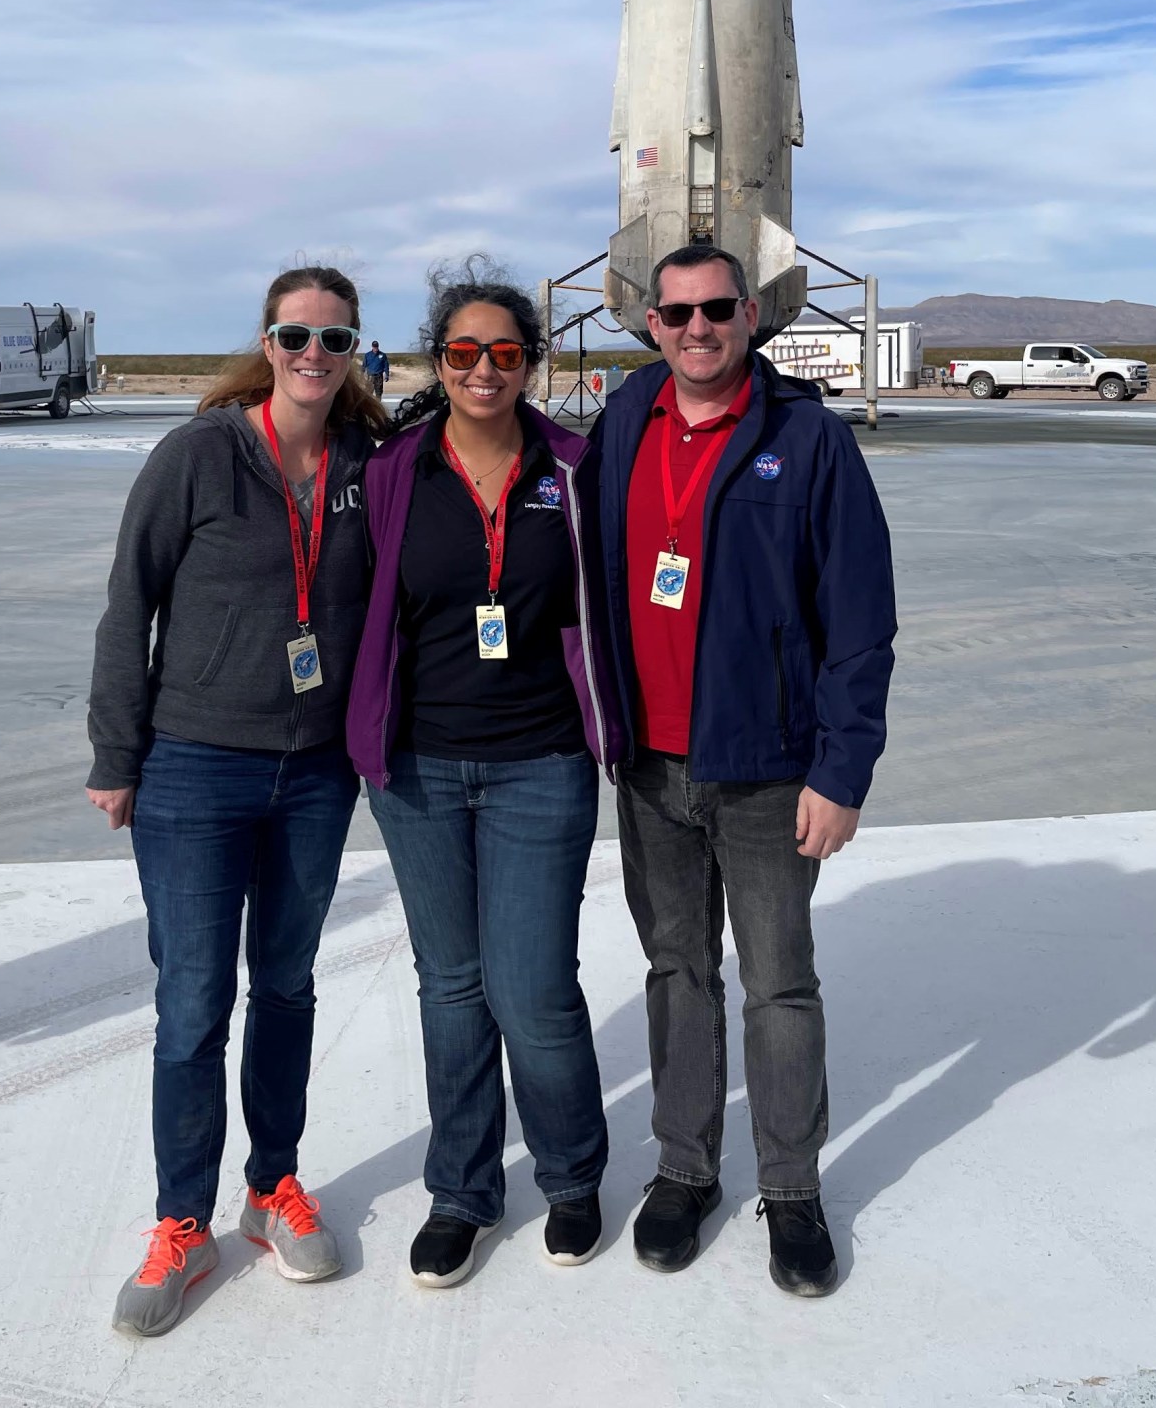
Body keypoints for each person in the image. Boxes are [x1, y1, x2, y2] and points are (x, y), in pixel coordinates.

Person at [86, 267, 388, 1337]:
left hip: (313, 771)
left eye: (335, 335)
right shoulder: (199, 454)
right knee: (192, 1002)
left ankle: (272, 1186)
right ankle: (180, 1221)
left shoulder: (367, 462)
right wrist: (116, 752)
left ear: (356, 348)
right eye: (296, 332)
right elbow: (132, 601)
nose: (315, 350)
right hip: (196, 766)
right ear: (267, 341)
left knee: (291, 984)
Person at [593, 243, 896, 1294]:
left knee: (779, 983)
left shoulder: (806, 439)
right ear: (650, 324)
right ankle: (683, 1167)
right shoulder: (623, 422)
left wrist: (842, 770)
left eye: (716, 307)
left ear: (752, 313)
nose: (695, 328)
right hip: (647, 765)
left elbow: (860, 622)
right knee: (676, 971)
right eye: (674, 313)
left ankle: (792, 1185)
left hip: (768, 767)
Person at [346, 262, 624, 1288]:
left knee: (535, 989)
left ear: (529, 365)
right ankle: (462, 1190)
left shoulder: (574, 467)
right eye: (462, 352)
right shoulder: (396, 470)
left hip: (540, 761)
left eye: (505, 352)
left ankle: (571, 1174)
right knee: (453, 987)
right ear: (437, 360)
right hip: (416, 765)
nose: (483, 369)